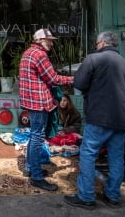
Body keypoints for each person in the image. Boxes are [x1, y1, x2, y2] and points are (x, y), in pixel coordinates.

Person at [65, 30, 125, 209]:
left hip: (98, 117)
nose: (96, 47)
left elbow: (79, 83)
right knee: (116, 157)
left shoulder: (93, 59)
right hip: (120, 118)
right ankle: (113, 195)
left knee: (88, 154)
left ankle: (86, 196)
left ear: (102, 43)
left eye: (97, 44)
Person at [18, 28, 74, 191]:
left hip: (30, 101)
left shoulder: (28, 53)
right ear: (40, 40)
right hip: (39, 102)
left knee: (34, 135)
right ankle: (36, 176)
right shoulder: (40, 55)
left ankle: (30, 168)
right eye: (49, 40)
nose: (52, 43)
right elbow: (54, 78)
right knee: (37, 137)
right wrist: (73, 79)